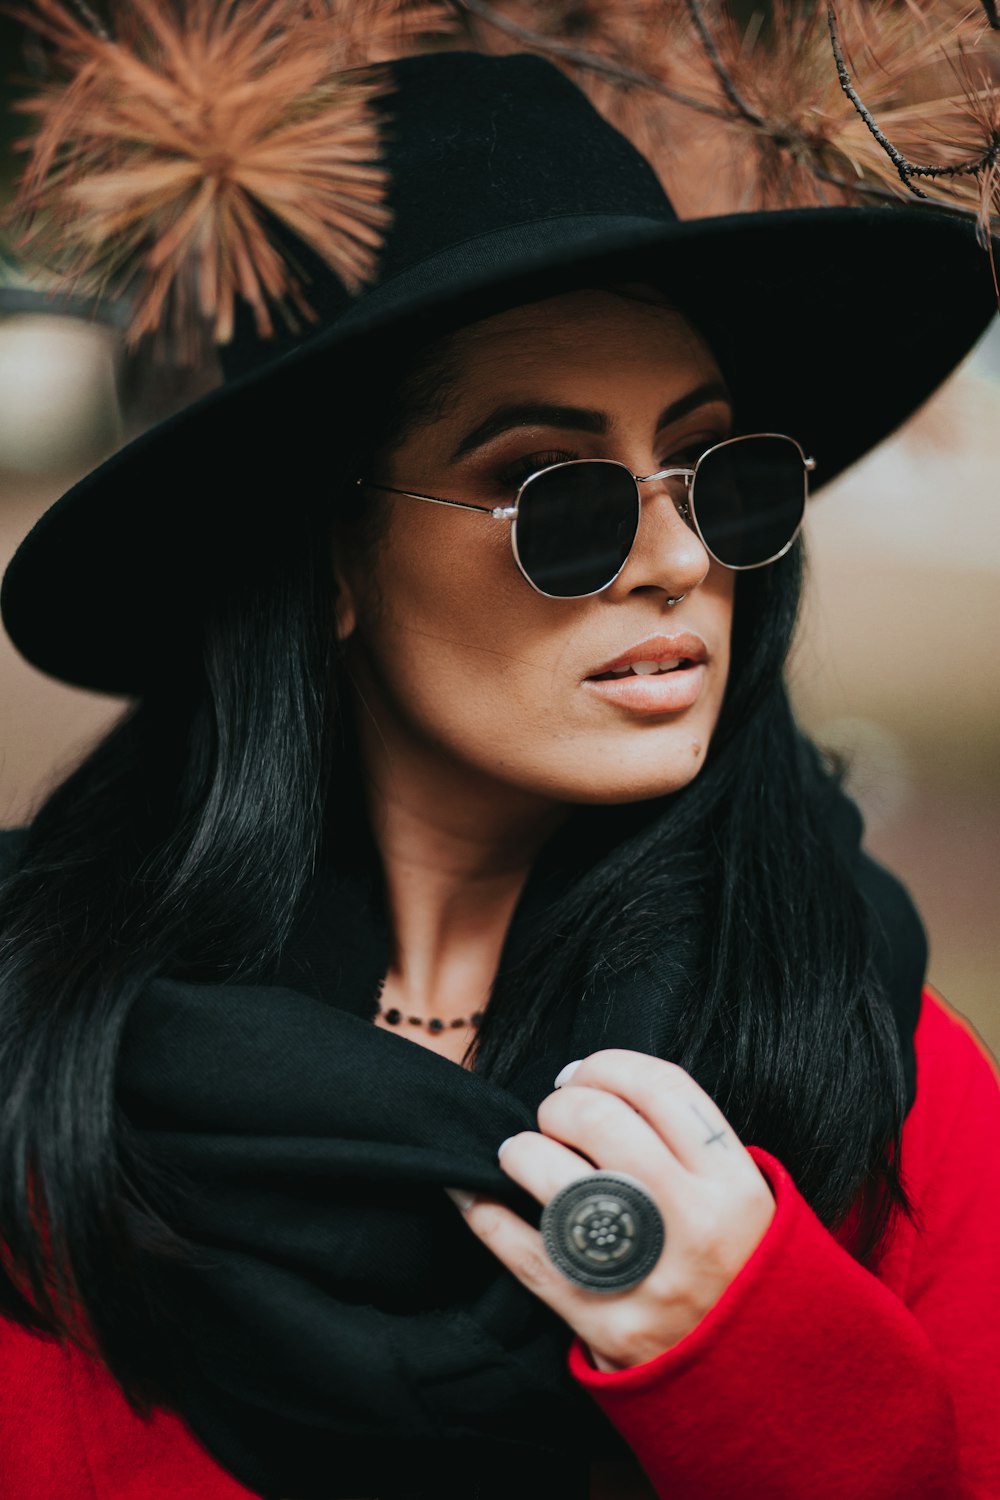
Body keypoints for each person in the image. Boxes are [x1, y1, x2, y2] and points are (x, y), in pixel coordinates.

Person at [1, 42, 999, 1500]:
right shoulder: (51, 1062)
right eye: (558, 492)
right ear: (332, 559)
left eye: (720, 475)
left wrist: (761, 1355)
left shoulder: (883, 1070)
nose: (677, 559)